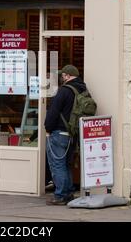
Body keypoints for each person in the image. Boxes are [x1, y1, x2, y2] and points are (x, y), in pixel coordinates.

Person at [44, 65, 86, 205]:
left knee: (57, 165)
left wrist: (48, 128)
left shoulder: (64, 91)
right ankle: (68, 193)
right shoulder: (83, 90)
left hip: (59, 133)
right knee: (66, 164)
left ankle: (60, 195)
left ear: (67, 76)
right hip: (73, 134)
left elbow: (53, 111)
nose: (62, 78)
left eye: (63, 76)